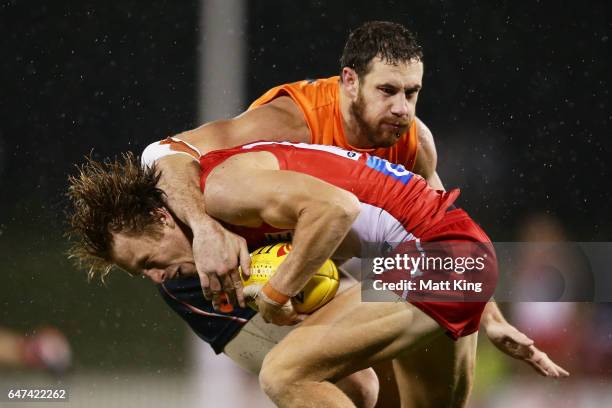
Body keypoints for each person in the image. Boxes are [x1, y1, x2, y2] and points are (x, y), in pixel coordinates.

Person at [146, 21, 558, 379]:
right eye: (387, 91)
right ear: (349, 81)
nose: (401, 109)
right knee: (307, 378)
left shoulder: (414, 143)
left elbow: (444, 229)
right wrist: (204, 230)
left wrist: (493, 320)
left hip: (353, 255)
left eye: (412, 93)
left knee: (428, 363)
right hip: (267, 259)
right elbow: (163, 153)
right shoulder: (293, 120)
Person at [65, 142, 568, 407]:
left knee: (284, 373)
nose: (158, 278)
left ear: (160, 215)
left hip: (441, 262)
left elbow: (337, 209)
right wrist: (490, 309)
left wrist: (278, 293)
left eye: (148, 262)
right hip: (455, 261)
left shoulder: (218, 189)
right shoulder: (239, 193)